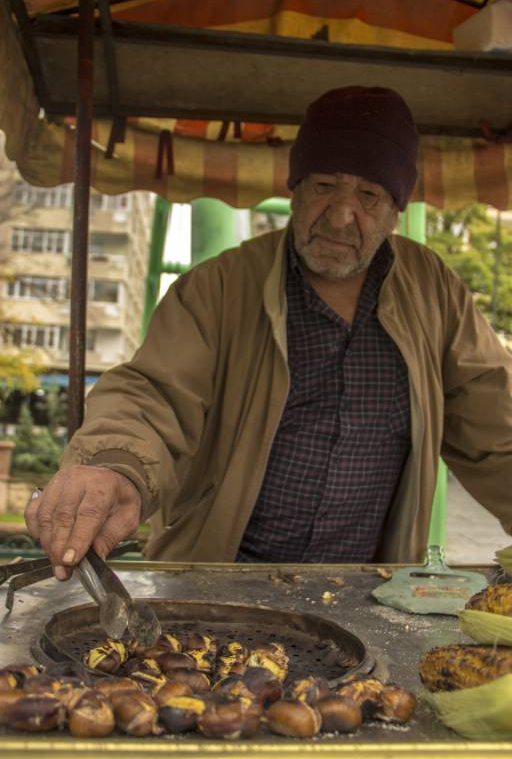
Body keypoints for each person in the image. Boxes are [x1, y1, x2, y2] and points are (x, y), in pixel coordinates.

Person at [25, 86, 512, 579]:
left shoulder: (434, 291)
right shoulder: (219, 287)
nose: (342, 216)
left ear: (395, 211)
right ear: (294, 187)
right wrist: (113, 465)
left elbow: (496, 426)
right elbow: (153, 394)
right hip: (219, 581)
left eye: (368, 196)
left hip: (362, 593)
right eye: (324, 185)